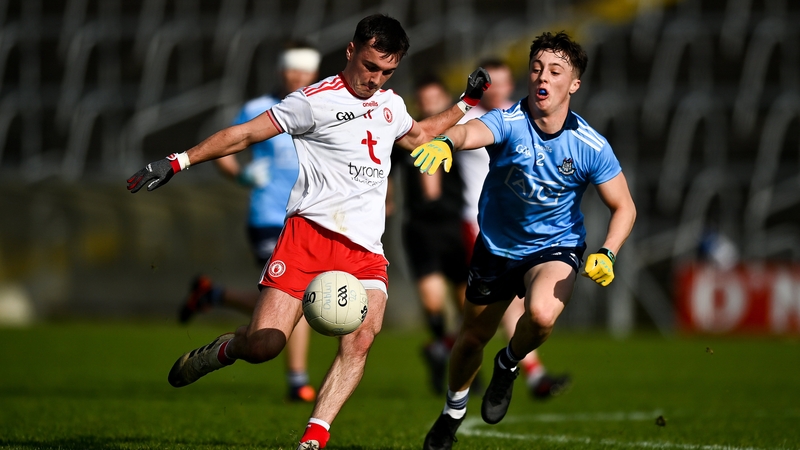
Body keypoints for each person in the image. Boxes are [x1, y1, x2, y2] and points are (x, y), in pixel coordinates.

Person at [126, 14, 491, 450]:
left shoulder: (391, 104)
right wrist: (178, 161)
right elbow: (244, 135)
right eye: (370, 66)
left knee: (362, 338)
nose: (375, 79)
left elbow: (419, 137)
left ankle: (314, 437)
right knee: (264, 345)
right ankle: (222, 350)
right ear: (351, 51)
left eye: (387, 72)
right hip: (308, 236)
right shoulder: (311, 102)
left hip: (364, 249)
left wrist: (466, 101)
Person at [414, 31, 637, 450]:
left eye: (555, 71)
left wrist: (609, 251)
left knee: (542, 314)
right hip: (496, 246)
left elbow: (624, 207)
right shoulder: (509, 120)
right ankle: (452, 413)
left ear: (573, 84)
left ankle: (509, 363)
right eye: (536, 68)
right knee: (470, 340)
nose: (543, 77)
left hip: (556, 246)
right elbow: (471, 132)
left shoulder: (591, 145)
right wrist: (446, 141)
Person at [178, 42, 322, 403]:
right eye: (293, 68)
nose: (298, 76)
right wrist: (242, 177)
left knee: (290, 299)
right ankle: (297, 379)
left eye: (306, 70)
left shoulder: (323, 106)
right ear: (281, 70)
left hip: (307, 217)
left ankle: (214, 294)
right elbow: (225, 150)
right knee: (296, 295)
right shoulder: (258, 109)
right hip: (269, 214)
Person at [456, 58, 572, 400]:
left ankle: (525, 371)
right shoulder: (474, 120)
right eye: (491, 82)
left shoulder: (527, 119)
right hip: (477, 223)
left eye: (505, 82)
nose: (499, 89)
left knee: (515, 306)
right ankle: (522, 370)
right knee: (492, 310)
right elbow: (448, 134)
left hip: (524, 228)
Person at [390, 75, 468, 395]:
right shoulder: (405, 141)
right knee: (433, 301)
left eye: (435, 98)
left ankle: (455, 356)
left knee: (467, 305)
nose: (429, 104)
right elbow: (384, 173)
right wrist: (386, 201)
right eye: (424, 99)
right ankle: (441, 348)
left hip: (455, 224)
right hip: (421, 227)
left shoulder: (462, 136)